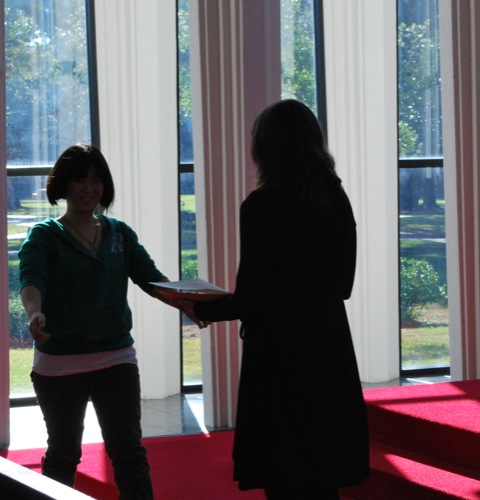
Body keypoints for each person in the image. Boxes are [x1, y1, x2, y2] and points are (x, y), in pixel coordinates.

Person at [177, 100, 370, 499]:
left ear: (265, 147)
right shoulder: (335, 197)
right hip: (327, 344)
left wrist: (199, 305)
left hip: (279, 355)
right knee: (321, 471)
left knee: (284, 471)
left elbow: (252, 298)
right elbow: (343, 284)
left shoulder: (261, 206)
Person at [18, 143, 199, 498]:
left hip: (116, 358)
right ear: (63, 185)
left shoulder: (120, 234)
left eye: (96, 180)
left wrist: (187, 302)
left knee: (128, 450)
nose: (89, 189)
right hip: (60, 363)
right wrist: (34, 312)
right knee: (64, 453)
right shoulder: (45, 235)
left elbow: (151, 279)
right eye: (79, 180)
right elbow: (31, 279)